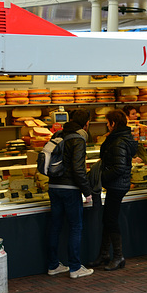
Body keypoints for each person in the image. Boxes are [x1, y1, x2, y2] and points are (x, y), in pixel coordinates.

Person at [88, 109, 139, 270]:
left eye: (108, 123)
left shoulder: (118, 142)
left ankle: (118, 256)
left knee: (111, 220)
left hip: (117, 185)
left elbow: (119, 167)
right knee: (108, 219)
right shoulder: (118, 139)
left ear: (113, 124)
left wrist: (101, 177)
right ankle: (104, 254)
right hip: (115, 184)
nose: (107, 126)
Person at [47, 109, 94, 279]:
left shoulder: (58, 134)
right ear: (86, 123)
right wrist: (86, 191)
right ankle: (75, 267)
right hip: (70, 189)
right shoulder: (78, 139)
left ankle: (53, 265)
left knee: (55, 226)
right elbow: (78, 168)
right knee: (76, 227)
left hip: (53, 186)